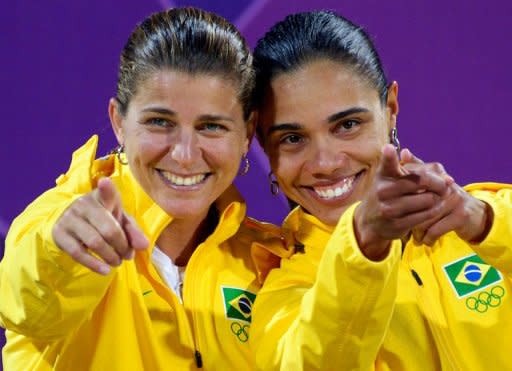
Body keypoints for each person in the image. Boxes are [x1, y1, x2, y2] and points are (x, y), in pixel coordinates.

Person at [0, 8, 288, 370]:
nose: (184, 155)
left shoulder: (270, 260)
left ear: (247, 133)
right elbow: (27, 304)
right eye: (159, 122)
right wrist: (63, 252)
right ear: (119, 122)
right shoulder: (59, 222)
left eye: (211, 127)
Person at [250, 10, 512, 370]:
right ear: (265, 146)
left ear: (390, 109)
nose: (325, 163)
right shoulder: (281, 291)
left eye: (347, 125)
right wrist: (365, 245)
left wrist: (485, 223)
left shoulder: (486, 220)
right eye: (293, 139)